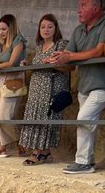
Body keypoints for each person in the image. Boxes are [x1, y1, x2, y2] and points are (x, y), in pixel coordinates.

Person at [51, 0, 105, 174]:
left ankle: (83, 161)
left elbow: (99, 51)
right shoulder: (78, 30)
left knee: (84, 118)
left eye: (83, 5)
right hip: (85, 83)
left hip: (104, 82)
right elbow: (69, 62)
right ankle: (87, 161)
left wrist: (69, 56)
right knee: (87, 120)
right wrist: (56, 61)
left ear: (96, 8)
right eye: (78, 6)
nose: (78, 10)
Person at [19, 14, 69, 165]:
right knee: (35, 116)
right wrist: (29, 64)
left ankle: (38, 152)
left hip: (51, 86)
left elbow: (58, 62)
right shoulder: (39, 47)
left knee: (46, 116)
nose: (46, 30)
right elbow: (41, 63)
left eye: (50, 26)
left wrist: (46, 61)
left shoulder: (61, 44)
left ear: (56, 28)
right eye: (43, 27)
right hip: (36, 86)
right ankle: (45, 152)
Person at [0, 14, 27, 158]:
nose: (1, 32)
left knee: (5, 116)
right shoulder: (0, 44)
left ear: (11, 28)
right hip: (1, 80)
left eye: (4, 29)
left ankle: (13, 143)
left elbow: (11, 63)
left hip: (14, 80)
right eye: (0, 29)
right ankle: (10, 144)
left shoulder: (18, 41)